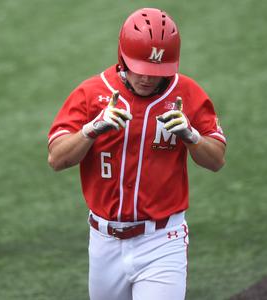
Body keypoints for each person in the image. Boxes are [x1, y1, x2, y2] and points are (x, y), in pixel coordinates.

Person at [47, 7, 226, 300]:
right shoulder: (91, 93)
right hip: (104, 242)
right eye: (140, 69)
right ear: (123, 58)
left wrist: (192, 136)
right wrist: (91, 130)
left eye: (157, 72)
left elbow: (217, 160)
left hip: (162, 240)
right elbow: (57, 159)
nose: (147, 79)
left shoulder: (187, 94)